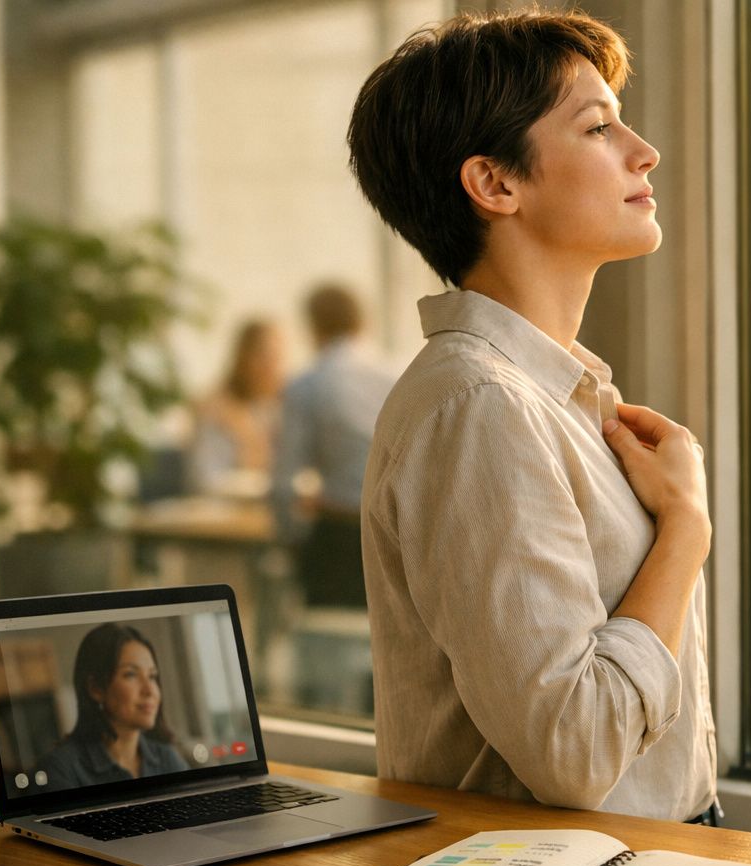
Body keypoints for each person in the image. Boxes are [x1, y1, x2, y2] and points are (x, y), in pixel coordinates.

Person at [345, 10, 716, 821]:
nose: (643, 151)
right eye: (598, 127)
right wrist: (685, 528)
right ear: (495, 184)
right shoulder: (478, 408)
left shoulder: (549, 395)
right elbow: (573, 751)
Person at [270, 283, 395, 608]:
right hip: (398, 534)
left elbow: (285, 482)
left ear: (313, 326)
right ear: (362, 322)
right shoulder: (397, 373)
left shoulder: (308, 384)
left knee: (330, 644)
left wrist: (294, 540)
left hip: (339, 534)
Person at [39, 623, 189, 789]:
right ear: (95, 688)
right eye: (131, 674)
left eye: (152, 676)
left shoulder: (166, 758)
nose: (150, 690)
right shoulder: (62, 769)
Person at [188, 318, 284, 495]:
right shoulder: (215, 408)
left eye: (276, 357)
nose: (271, 366)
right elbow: (206, 478)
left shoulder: (280, 408)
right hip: (224, 509)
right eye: (263, 356)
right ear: (243, 358)